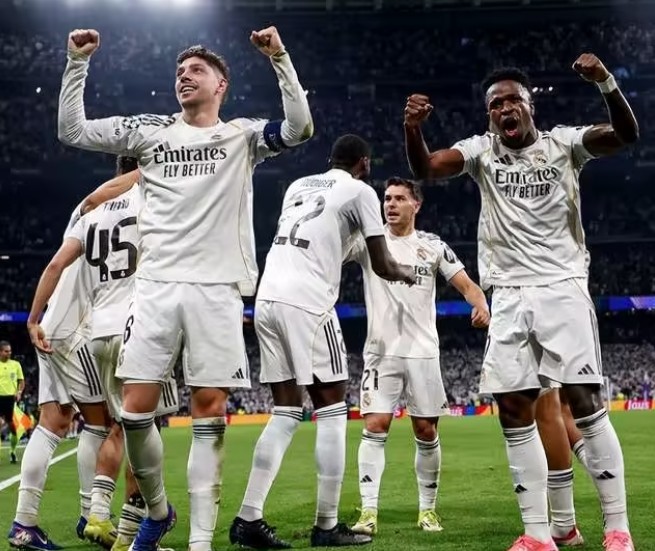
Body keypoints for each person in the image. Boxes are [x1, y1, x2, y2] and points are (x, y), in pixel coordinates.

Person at [58, 26, 313, 551]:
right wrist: (77, 62)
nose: (184, 76)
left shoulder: (241, 136)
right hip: (154, 287)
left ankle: (200, 543)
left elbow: (300, 128)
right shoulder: (151, 133)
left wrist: (280, 58)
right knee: (134, 412)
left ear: (221, 85)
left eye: (197, 70)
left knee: (208, 412)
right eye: (179, 71)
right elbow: (72, 130)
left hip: (216, 289)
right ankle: (157, 510)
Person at [404, 53, 638, 551]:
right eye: (495, 104)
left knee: (584, 402)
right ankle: (538, 534)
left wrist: (606, 82)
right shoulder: (481, 153)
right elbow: (425, 167)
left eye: (514, 100)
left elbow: (625, 134)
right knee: (513, 407)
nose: (505, 109)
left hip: (561, 286)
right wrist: (413, 129)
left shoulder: (564, 144)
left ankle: (617, 529)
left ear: (531, 106)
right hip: (508, 294)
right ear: (489, 114)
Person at [229, 135, 415, 549]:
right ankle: (326, 526)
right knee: (332, 411)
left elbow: (318, 238)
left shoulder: (299, 185)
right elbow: (382, 264)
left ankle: (248, 518)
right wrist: (406, 273)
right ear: (364, 163)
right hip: (308, 304)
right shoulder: (361, 191)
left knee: (286, 411)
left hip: (268, 298)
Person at [346, 177, 490, 536]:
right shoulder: (368, 242)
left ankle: (428, 510)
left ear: (416, 205)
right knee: (374, 426)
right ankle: (368, 511)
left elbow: (467, 285)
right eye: (386, 199)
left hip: (423, 353)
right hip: (381, 352)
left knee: (426, 430)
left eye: (399, 198)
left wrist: (481, 305)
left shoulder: (433, 246)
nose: (390, 205)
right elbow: (328, 252)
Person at [0, 341, 25, 465]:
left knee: (13, 428)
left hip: (10, 399)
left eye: (10, 351)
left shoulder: (16, 365)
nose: (9, 353)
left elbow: (21, 381)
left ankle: (13, 451)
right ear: (0, 352)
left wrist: (19, 392)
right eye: (6, 351)